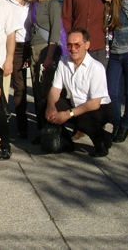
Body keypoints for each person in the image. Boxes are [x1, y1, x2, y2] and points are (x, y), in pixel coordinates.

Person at [46, 28, 113, 157]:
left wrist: (68, 114)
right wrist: (51, 106)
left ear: (87, 45)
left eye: (77, 45)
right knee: (45, 104)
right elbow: (55, 89)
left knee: (83, 120)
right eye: (69, 44)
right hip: (75, 103)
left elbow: (94, 103)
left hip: (99, 107)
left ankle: (102, 142)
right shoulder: (63, 62)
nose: (73, 48)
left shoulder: (96, 67)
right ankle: (65, 141)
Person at [94, 0, 128, 143]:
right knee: (111, 91)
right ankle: (116, 122)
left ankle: (125, 125)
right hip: (113, 55)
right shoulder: (104, 7)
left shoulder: (126, 5)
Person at [27, 0, 62, 142]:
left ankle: (51, 129)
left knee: (47, 91)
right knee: (37, 91)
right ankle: (41, 128)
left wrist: (49, 57)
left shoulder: (52, 4)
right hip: (33, 49)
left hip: (46, 50)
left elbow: (55, 31)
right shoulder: (33, 4)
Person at [5, 0, 31, 139]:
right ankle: (22, 126)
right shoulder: (6, 5)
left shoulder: (31, 2)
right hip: (16, 47)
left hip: (32, 45)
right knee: (20, 87)